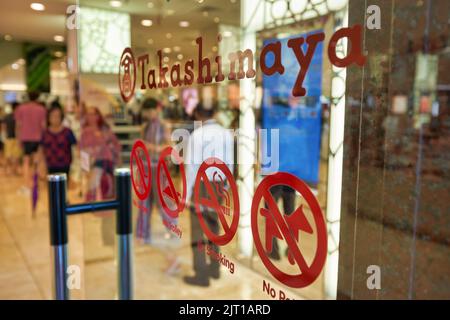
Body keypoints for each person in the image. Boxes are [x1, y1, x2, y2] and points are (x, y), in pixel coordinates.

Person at [183, 103, 234, 287]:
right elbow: (230, 163)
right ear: (215, 112)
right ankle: (215, 268)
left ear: (197, 114)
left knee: (198, 229)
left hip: (201, 185)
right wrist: (226, 186)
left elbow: (191, 168)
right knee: (213, 228)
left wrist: (186, 194)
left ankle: (201, 275)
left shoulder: (197, 135)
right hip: (219, 183)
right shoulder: (226, 133)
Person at [79, 106, 121, 246]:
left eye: (94, 114)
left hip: (109, 170)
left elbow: (116, 147)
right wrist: (86, 172)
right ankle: (107, 239)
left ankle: (111, 238)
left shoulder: (105, 131)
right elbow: (83, 154)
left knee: (110, 204)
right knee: (99, 202)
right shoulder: (85, 133)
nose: (92, 117)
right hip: (96, 170)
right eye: (89, 114)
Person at [136, 97, 173, 245]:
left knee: (162, 202)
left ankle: (171, 229)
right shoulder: (145, 127)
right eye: (147, 112)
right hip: (145, 167)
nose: (149, 114)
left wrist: (151, 147)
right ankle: (142, 233)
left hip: (159, 168)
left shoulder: (164, 126)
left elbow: (168, 147)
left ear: (157, 109)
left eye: (151, 111)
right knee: (144, 201)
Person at [14, 91, 47, 193]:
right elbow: (44, 126)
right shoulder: (41, 109)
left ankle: (26, 184)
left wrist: (18, 139)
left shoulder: (21, 108)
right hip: (38, 138)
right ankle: (35, 183)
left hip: (25, 138)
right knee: (36, 162)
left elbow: (18, 125)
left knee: (26, 162)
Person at [38, 106, 77, 177]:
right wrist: (40, 163)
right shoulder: (45, 133)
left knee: (63, 185)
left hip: (65, 165)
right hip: (50, 165)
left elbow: (76, 146)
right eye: (53, 116)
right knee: (51, 185)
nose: (55, 118)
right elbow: (41, 148)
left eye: (57, 116)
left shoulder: (67, 132)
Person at [3, 102, 22, 175]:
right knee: (16, 156)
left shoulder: (7, 116)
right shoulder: (18, 116)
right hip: (16, 138)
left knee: (8, 156)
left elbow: (3, 127)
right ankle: (14, 171)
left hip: (8, 138)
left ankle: (7, 171)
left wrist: (4, 135)